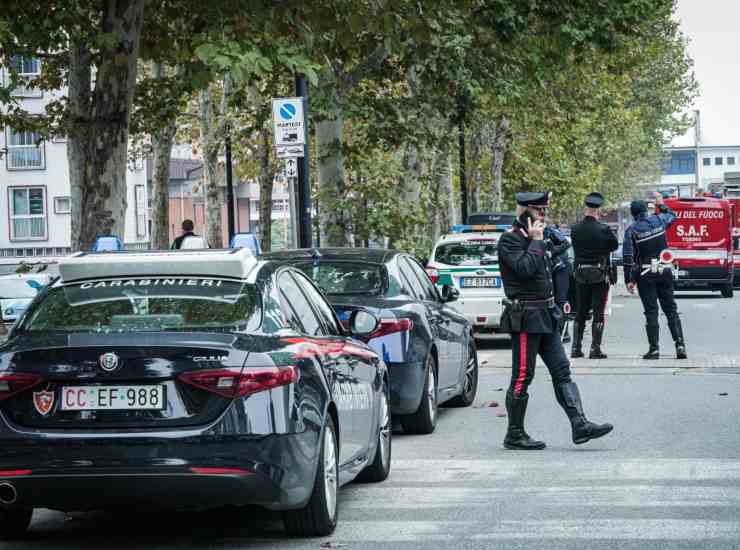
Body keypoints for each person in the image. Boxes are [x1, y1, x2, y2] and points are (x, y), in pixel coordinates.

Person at [497, 190, 613, 450]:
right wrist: (537, 242)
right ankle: (514, 433)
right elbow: (525, 268)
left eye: (545, 211)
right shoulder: (509, 240)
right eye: (540, 211)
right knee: (522, 376)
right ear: (525, 210)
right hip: (525, 316)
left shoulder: (539, 238)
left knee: (562, 370)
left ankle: (579, 424)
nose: (544, 215)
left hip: (546, 315)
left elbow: (552, 263)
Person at [623, 192, 687, 359]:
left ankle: (654, 349)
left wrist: (629, 280)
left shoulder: (631, 231)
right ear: (646, 210)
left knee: (651, 312)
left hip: (646, 275)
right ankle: (680, 346)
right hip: (665, 270)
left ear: (633, 214)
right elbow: (672, 215)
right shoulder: (659, 220)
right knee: (671, 310)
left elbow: (628, 258)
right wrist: (661, 203)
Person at [569, 192, 619, 359]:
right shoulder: (604, 229)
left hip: (580, 274)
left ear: (585, 209)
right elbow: (613, 246)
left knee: (581, 311)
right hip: (599, 274)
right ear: (599, 210)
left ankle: (576, 348)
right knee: (598, 311)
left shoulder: (575, 229)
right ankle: (594, 349)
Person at [544, 224, 572, 342]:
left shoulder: (549, 230)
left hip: (560, 268)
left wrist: (552, 253)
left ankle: (563, 332)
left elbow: (566, 243)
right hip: (548, 269)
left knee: (561, 300)